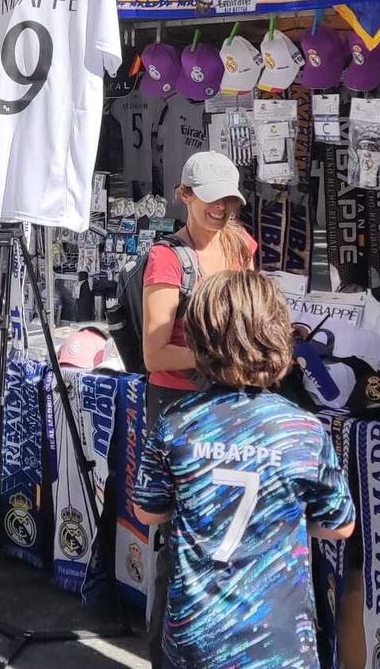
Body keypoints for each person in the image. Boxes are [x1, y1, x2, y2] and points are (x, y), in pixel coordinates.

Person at [133, 270, 355, 668]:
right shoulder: (302, 429)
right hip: (280, 636)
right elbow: (339, 525)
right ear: (277, 338)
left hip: (196, 633)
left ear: (198, 340)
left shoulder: (175, 422)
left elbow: (148, 511)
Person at [140, 150, 257, 663]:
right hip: (179, 407)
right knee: (179, 542)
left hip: (231, 401)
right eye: (212, 198)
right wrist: (225, 358)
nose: (223, 208)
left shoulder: (240, 244)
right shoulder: (167, 258)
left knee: (228, 539)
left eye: (230, 198)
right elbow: (155, 352)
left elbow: (250, 316)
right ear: (184, 195)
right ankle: (166, 655)